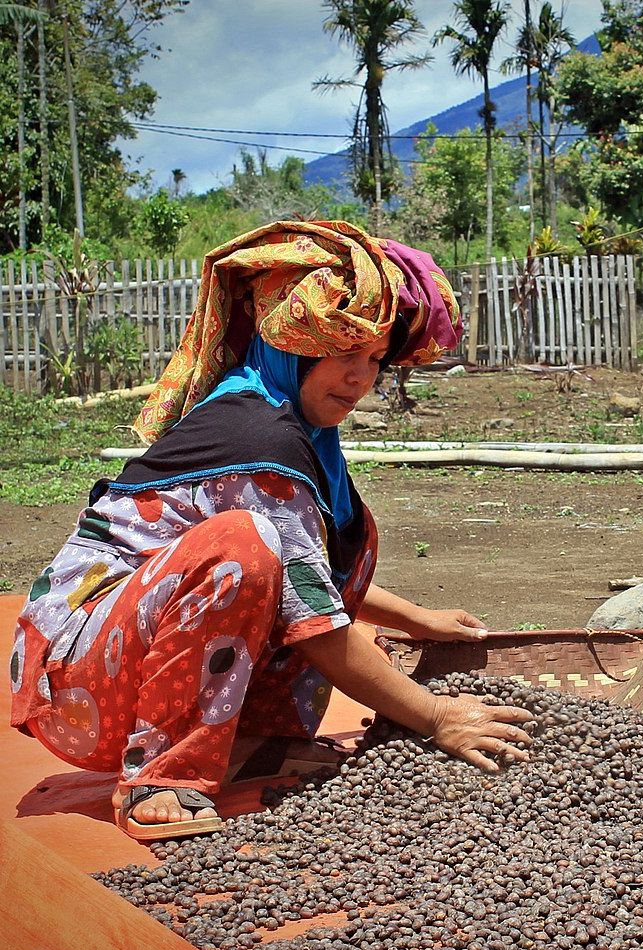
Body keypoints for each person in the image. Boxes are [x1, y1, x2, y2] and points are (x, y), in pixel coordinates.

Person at [9, 221, 532, 841]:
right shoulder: (258, 437)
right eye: (344, 354)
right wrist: (438, 716)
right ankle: (161, 775)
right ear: (294, 344)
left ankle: (256, 742)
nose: (361, 379)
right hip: (82, 680)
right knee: (244, 551)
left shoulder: (299, 430)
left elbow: (304, 579)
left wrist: (416, 620)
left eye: (373, 359)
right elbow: (309, 618)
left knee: (336, 564)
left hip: (134, 652)